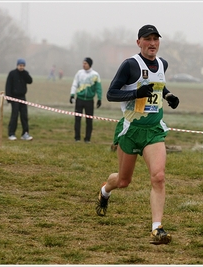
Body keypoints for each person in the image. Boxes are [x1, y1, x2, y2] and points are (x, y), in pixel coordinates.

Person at [95, 25, 180, 245]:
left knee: (158, 177)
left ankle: (157, 228)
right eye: (147, 39)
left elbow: (157, 86)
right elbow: (111, 93)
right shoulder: (130, 65)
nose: (152, 43)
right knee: (123, 181)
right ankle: (105, 191)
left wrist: (168, 95)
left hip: (153, 130)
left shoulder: (163, 64)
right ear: (139, 42)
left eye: (155, 39)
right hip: (131, 130)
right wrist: (135, 93)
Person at [69, 57, 102, 143]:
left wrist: (99, 99)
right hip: (79, 99)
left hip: (89, 100)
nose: (83, 65)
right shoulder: (79, 73)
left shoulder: (95, 75)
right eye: (83, 63)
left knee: (89, 120)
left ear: (89, 64)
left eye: (85, 63)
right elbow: (75, 84)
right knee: (77, 119)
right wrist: (72, 95)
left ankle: (87, 139)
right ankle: (77, 138)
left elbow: (98, 88)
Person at [5, 58, 33, 141]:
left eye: (23, 66)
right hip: (14, 98)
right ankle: (11, 134)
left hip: (23, 97)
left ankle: (25, 134)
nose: (21, 67)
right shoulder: (12, 73)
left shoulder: (25, 73)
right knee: (14, 116)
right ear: (17, 65)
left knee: (24, 116)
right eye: (20, 65)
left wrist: (25, 73)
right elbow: (8, 86)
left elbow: (30, 81)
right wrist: (9, 98)